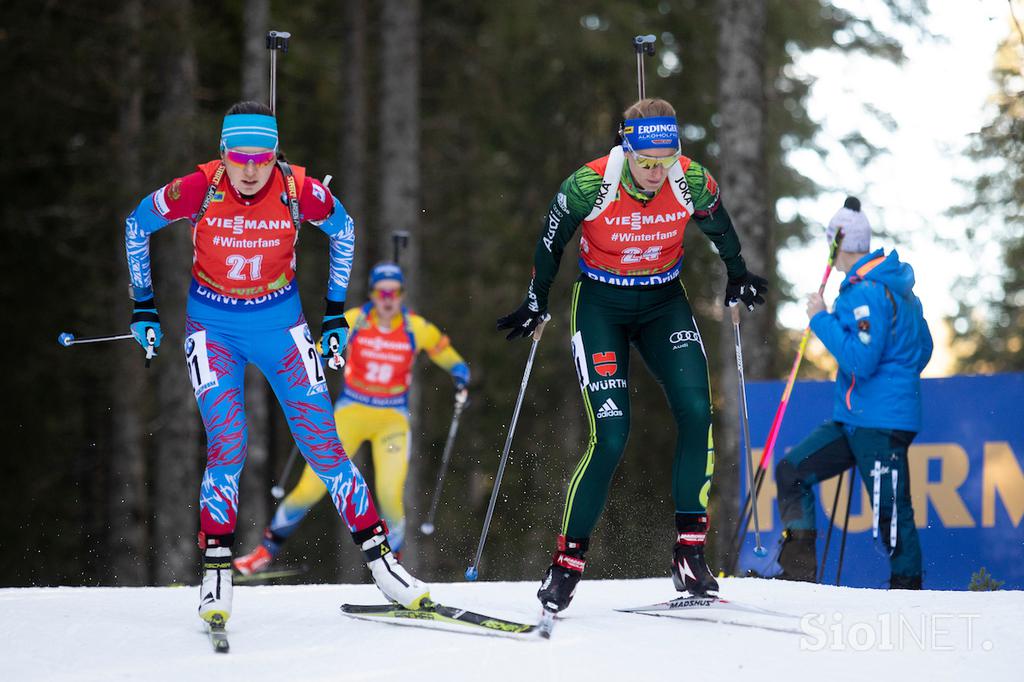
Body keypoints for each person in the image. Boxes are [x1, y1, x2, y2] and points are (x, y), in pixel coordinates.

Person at [124, 101, 428, 628]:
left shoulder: (298, 189)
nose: (249, 169)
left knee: (324, 446)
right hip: (212, 329)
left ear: (274, 155)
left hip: (281, 329)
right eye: (239, 157)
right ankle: (216, 572)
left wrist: (335, 314)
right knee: (228, 444)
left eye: (261, 158)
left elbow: (345, 230)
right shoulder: (199, 188)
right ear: (223, 153)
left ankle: (384, 567)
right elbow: (136, 224)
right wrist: (143, 304)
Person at [496, 98, 769, 614]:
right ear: (626, 146)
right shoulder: (590, 183)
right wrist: (536, 300)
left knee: (696, 411)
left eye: (664, 161)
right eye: (645, 161)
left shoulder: (690, 179)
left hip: (664, 302)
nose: (654, 172)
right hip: (600, 305)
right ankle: (567, 561)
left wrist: (737, 273)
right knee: (612, 434)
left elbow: (719, 228)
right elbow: (551, 242)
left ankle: (689, 552)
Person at [234, 261, 470, 575]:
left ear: (401, 295)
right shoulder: (355, 320)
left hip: (392, 419)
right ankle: (265, 551)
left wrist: (460, 372)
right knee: (311, 487)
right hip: (351, 412)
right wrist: (322, 356)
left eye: (394, 292)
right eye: (381, 292)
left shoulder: (416, 328)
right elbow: (318, 348)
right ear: (372, 294)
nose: (387, 299)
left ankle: (392, 565)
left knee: (388, 493)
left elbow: (444, 352)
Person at [774, 197, 931, 589]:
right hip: (857, 418)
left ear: (836, 245)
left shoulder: (866, 293)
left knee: (891, 514)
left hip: (878, 422)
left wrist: (820, 319)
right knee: (792, 471)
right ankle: (797, 575)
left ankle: (906, 591)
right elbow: (923, 349)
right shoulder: (897, 287)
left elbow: (861, 361)